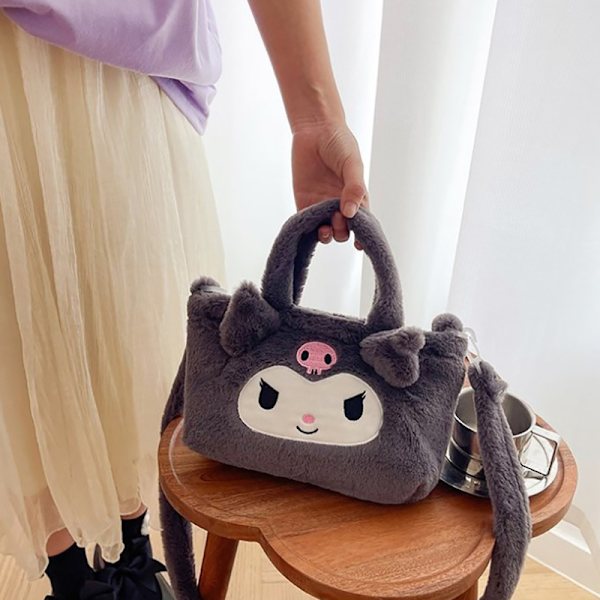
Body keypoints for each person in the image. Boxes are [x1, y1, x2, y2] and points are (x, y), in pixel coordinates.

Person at [0, 1, 367, 598]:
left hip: (122, 65)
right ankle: (81, 580)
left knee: (135, 352)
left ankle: (124, 563)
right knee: (22, 369)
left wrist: (315, 117)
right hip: (90, 74)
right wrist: (314, 117)